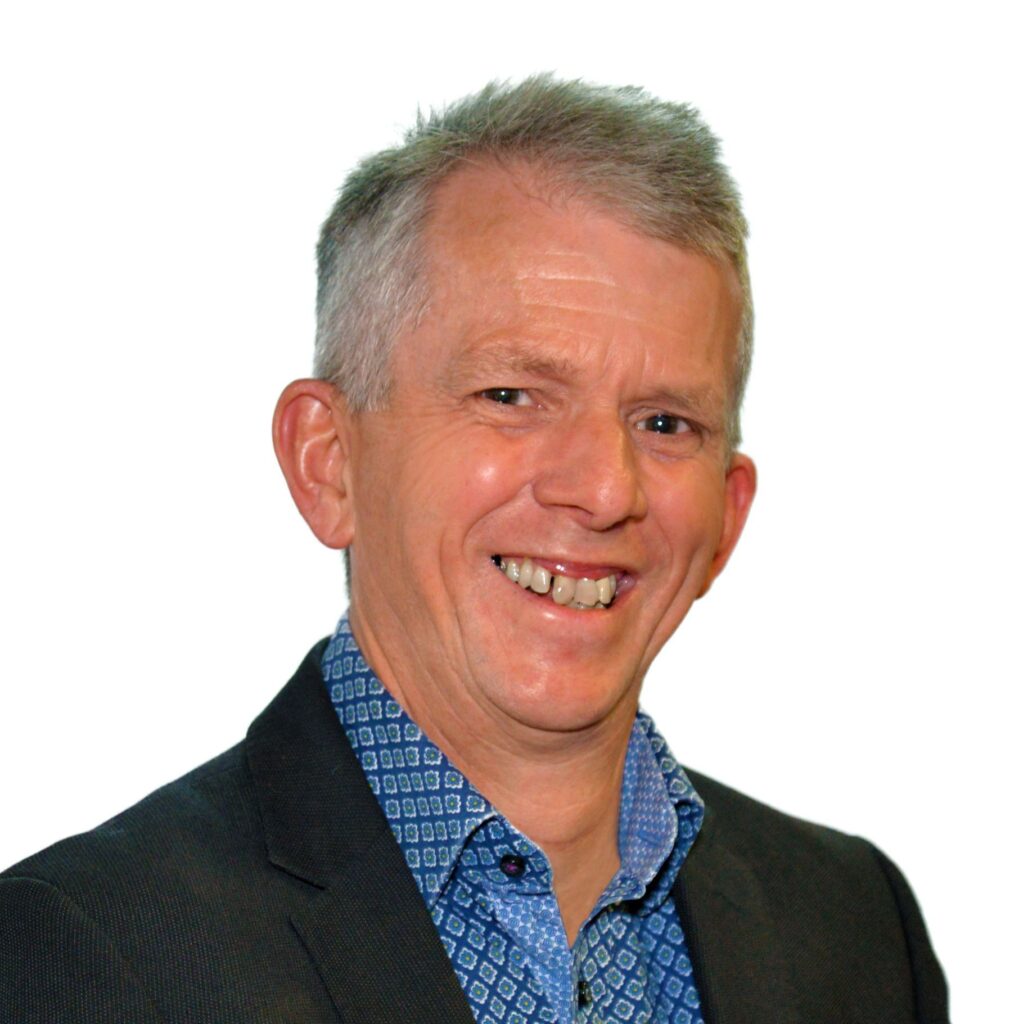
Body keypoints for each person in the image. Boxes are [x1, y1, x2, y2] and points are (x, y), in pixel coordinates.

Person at [0, 76, 948, 1024]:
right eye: (511, 397)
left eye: (665, 422)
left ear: (727, 517)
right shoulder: (89, 954)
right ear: (329, 463)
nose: (605, 489)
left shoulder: (859, 928)